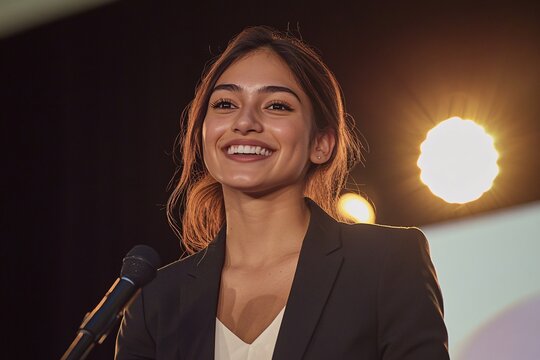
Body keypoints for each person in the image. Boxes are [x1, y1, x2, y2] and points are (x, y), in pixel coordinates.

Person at [115, 26, 449, 360]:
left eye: (276, 106)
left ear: (321, 144)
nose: (244, 122)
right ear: (203, 134)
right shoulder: (153, 301)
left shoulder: (386, 263)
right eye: (225, 103)